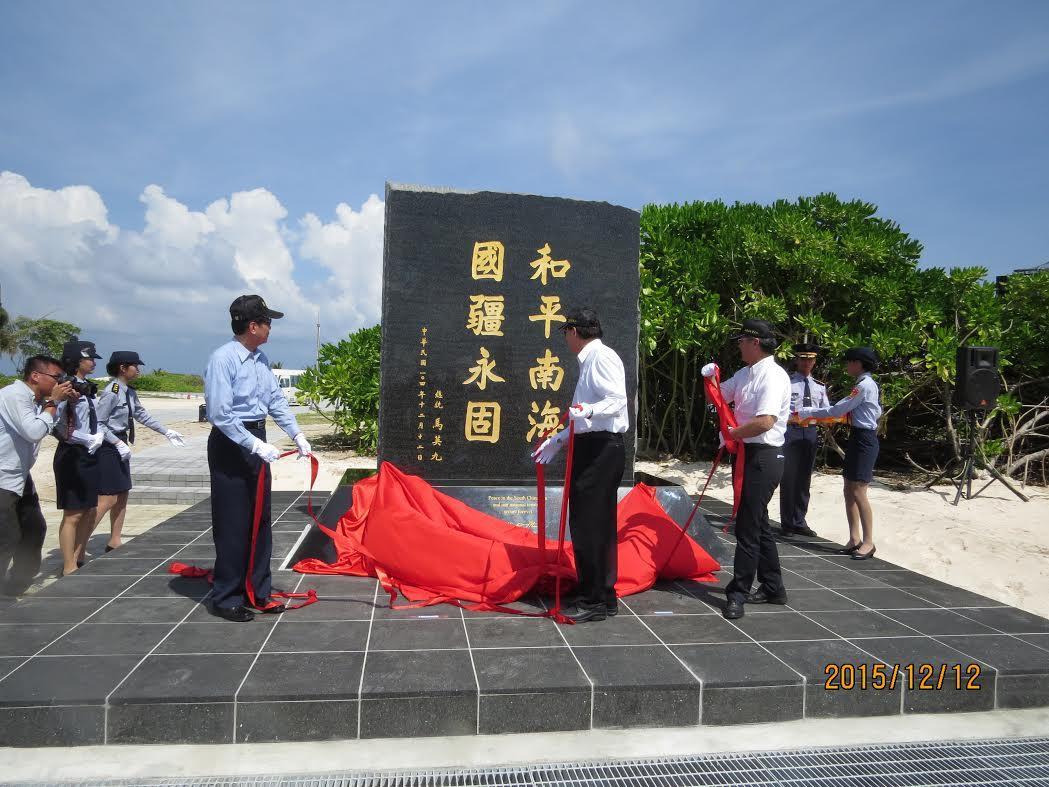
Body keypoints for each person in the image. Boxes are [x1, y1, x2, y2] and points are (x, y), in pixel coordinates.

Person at [204, 295, 311, 622]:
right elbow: (220, 414)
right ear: (253, 326)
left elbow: (275, 401)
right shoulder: (223, 359)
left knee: (259, 519)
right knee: (233, 521)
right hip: (232, 443)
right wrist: (254, 445)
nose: (269, 329)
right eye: (267, 322)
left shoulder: (261, 360)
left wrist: (297, 434)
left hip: (255, 439)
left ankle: (257, 590)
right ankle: (227, 596)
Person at [531, 307, 629, 624]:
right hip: (593, 445)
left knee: (589, 526)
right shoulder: (590, 362)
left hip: (601, 449)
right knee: (595, 525)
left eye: (565, 332)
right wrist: (559, 440)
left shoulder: (602, 358)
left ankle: (593, 601)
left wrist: (587, 410)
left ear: (574, 331)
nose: (565, 339)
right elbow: (582, 417)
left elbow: (616, 401)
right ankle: (603, 595)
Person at [702, 319, 791, 620]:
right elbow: (718, 395)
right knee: (759, 523)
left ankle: (737, 592)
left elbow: (766, 421)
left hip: (765, 456)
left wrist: (731, 433)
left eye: (742, 340)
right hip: (747, 453)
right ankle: (774, 587)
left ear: (755, 343)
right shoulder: (744, 373)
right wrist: (710, 378)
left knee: (748, 527)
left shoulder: (774, 377)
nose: (738, 344)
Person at [93, 351, 186, 553]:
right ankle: (79, 544)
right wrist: (117, 443)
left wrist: (166, 431)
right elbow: (99, 424)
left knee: (122, 493)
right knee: (107, 498)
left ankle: (114, 540)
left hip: (120, 443)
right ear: (123, 368)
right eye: (135, 366)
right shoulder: (112, 391)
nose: (139, 370)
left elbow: (141, 415)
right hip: (109, 445)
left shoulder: (128, 391)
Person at [0, 356, 76, 594]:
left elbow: (57, 430)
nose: (59, 383)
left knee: (34, 529)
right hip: (2, 476)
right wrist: (53, 403)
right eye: (56, 377)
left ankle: (17, 585)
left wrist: (64, 404)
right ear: (35, 376)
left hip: (20, 476)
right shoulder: (14, 395)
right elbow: (33, 431)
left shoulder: (36, 400)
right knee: (7, 538)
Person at [797, 347, 882, 560]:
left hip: (864, 439)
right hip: (857, 437)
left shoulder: (863, 386)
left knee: (859, 491)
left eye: (850, 362)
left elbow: (837, 410)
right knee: (848, 488)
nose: (847, 366)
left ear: (859, 364)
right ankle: (855, 538)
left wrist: (807, 412)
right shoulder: (864, 385)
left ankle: (869, 541)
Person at [52, 340, 105, 576]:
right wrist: (84, 438)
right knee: (73, 513)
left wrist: (98, 436)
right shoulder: (64, 387)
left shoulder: (87, 387)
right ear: (76, 360)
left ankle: (78, 556)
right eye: (89, 358)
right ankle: (68, 565)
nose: (93, 362)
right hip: (72, 453)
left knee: (90, 509)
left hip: (90, 452)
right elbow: (57, 426)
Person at [780, 343, 829, 537]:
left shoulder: (819, 386)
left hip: (810, 432)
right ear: (797, 360)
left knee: (804, 478)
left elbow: (826, 410)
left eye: (810, 359)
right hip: (791, 431)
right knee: (789, 477)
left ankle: (799, 520)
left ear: (815, 361)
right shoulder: (788, 383)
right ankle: (787, 523)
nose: (806, 362)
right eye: (803, 358)